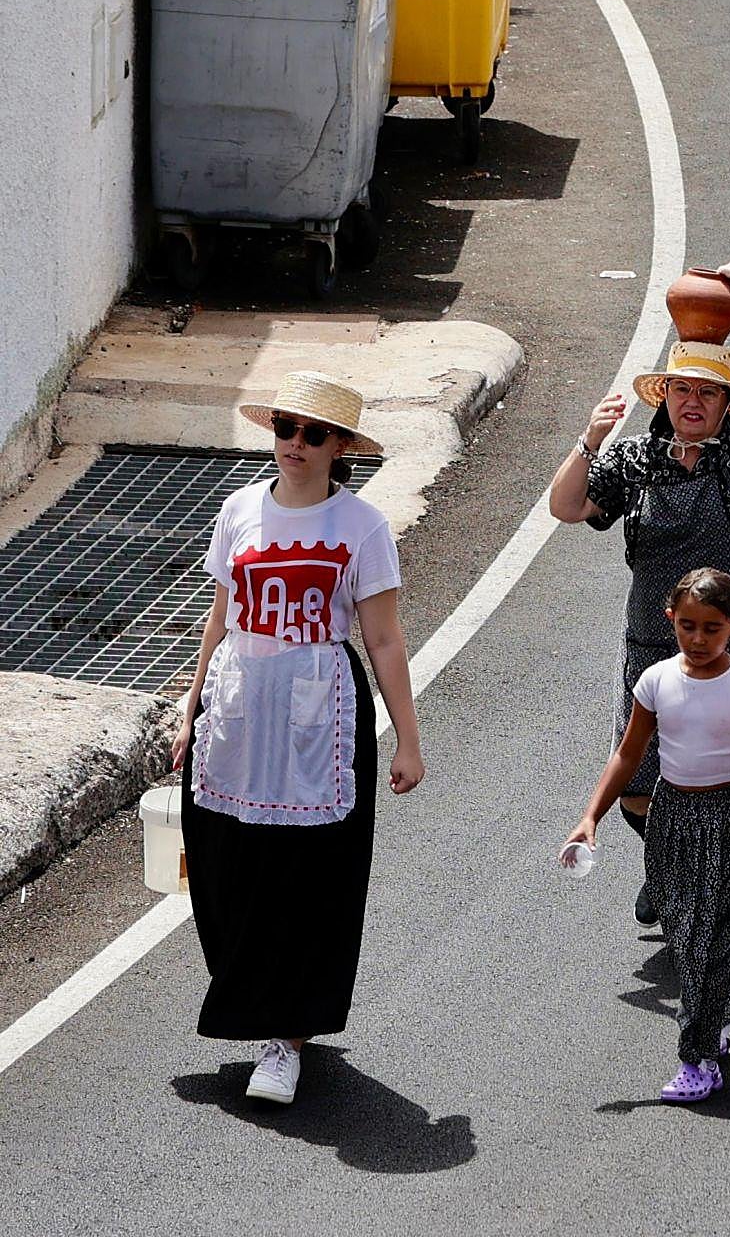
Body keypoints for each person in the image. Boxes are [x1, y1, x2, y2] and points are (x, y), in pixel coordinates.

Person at [170, 371, 424, 1106]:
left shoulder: (361, 528)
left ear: (340, 446)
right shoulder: (240, 510)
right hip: (240, 710)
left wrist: (408, 738)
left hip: (321, 718)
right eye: (286, 428)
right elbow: (219, 618)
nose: (295, 445)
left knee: (311, 875)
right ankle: (254, 997)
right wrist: (190, 708)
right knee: (225, 863)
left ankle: (286, 1035)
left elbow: (383, 639)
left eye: (314, 434)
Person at [547, 260, 730, 927]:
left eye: (708, 393)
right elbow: (566, 508)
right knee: (637, 789)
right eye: (682, 390)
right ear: (664, 397)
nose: (693, 402)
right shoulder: (633, 460)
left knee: (723, 783)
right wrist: (589, 440)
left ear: (728, 404)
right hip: (652, 646)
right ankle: (666, 867)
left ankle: (703, 901)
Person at [564, 568, 730, 1103]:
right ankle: (714, 1018)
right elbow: (629, 754)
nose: (698, 640)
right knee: (687, 941)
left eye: (712, 629)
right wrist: (591, 818)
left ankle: (697, 1058)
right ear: (670, 621)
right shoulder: (655, 682)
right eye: (688, 627)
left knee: (717, 942)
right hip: (672, 822)